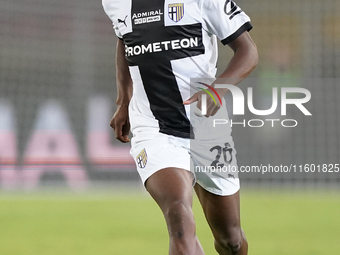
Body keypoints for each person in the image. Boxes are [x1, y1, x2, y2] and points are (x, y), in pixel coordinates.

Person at [102, 0, 258, 254]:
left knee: (231, 239)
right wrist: (124, 100)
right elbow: (124, 38)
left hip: (207, 130)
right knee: (179, 218)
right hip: (153, 127)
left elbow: (248, 52)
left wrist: (217, 90)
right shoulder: (117, 2)